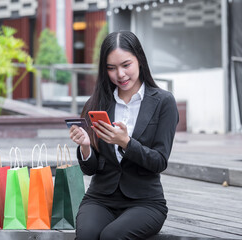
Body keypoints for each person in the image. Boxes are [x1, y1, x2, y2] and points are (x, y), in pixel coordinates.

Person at [69, 30, 179, 240]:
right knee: (87, 235)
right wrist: (85, 146)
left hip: (145, 202)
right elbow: (90, 169)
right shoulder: (97, 103)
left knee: (112, 236)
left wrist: (126, 143)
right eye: (111, 68)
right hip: (100, 198)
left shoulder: (163, 102)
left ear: (140, 60)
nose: (120, 74)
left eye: (126, 65)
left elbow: (159, 161)